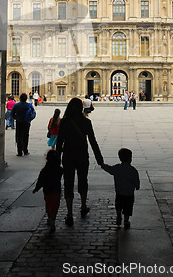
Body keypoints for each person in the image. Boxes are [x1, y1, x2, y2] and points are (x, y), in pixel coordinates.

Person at [56, 97, 104, 226]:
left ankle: (70, 213)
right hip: (82, 155)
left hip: (68, 155)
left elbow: (59, 142)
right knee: (83, 180)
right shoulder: (86, 122)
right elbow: (93, 141)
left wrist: (56, 159)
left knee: (68, 182)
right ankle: (83, 206)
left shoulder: (64, 122)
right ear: (81, 108)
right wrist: (100, 159)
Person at [101, 148, 140, 229]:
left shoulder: (117, 168)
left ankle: (118, 216)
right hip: (129, 193)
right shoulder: (133, 170)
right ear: (130, 159)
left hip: (119, 192)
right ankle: (126, 220)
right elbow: (136, 180)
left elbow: (109, 169)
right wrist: (137, 186)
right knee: (128, 208)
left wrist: (102, 165)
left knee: (118, 205)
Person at [33, 149, 63, 233]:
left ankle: (50, 218)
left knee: (49, 205)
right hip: (56, 191)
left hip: (47, 191)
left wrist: (36, 188)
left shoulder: (44, 170)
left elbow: (40, 181)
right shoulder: (59, 169)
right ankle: (52, 219)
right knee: (55, 206)